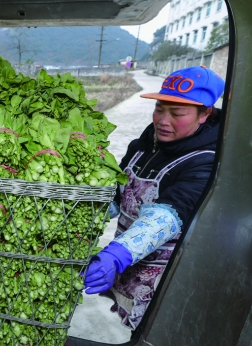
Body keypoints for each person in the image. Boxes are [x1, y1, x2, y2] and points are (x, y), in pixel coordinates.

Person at [83, 65, 225, 330]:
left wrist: (116, 255)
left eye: (176, 113)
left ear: (205, 113)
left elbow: (166, 216)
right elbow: (117, 194)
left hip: (164, 280)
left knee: (152, 335)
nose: (163, 120)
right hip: (130, 270)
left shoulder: (205, 162)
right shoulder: (143, 145)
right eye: (160, 108)